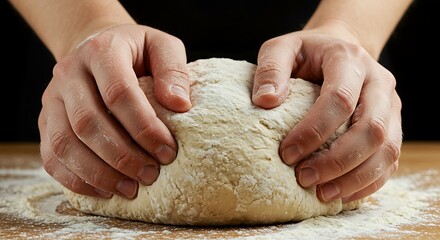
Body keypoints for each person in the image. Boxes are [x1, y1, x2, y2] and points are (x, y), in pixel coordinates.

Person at [9, 0, 412, 204]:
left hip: (327, 75)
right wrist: (86, 24)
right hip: (94, 81)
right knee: (97, 132)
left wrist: (349, 28)